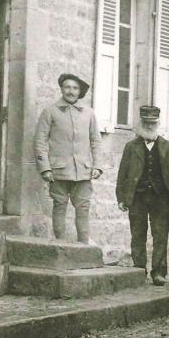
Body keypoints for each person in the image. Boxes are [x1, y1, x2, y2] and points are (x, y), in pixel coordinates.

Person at [34, 73, 103, 244]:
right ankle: (61, 247)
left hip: (83, 171)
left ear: (80, 92)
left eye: (74, 88)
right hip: (58, 171)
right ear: (61, 89)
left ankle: (84, 248)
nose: (70, 91)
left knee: (83, 208)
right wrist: (45, 168)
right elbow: (40, 140)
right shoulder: (50, 112)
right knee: (59, 206)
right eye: (67, 87)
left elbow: (96, 141)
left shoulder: (89, 113)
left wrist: (97, 166)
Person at [116, 105, 169, 285]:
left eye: (153, 123)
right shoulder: (131, 147)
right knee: (138, 234)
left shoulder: (168, 147)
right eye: (146, 123)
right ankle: (139, 269)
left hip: (161, 198)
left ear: (158, 123)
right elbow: (123, 174)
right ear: (140, 123)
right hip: (137, 197)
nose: (150, 126)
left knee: (160, 235)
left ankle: (158, 272)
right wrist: (121, 198)